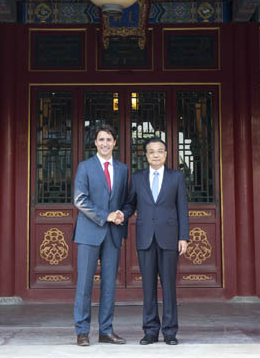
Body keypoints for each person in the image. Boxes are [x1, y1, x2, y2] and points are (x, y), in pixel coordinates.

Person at [121, 137, 189, 346]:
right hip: (145, 238)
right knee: (148, 287)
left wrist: (183, 237)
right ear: (146, 155)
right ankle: (150, 331)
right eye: (152, 152)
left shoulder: (176, 177)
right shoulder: (139, 178)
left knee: (169, 286)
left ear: (166, 154)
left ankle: (170, 332)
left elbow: (182, 209)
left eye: (160, 151)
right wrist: (121, 214)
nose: (156, 155)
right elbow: (130, 204)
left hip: (169, 237)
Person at [73, 125, 127, 347]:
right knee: (84, 285)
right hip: (89, 233)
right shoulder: (85, 167)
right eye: (101, 139)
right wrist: (107, 216)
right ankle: (82, 331)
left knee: (109, 285)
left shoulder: (123, 169)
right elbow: (80, 200)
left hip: (113, 235)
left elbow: (125, 199)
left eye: (109, 139)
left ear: (115, 143)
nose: (105, 143)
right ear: (95, 142)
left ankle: (106, 330)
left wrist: (122, 213)